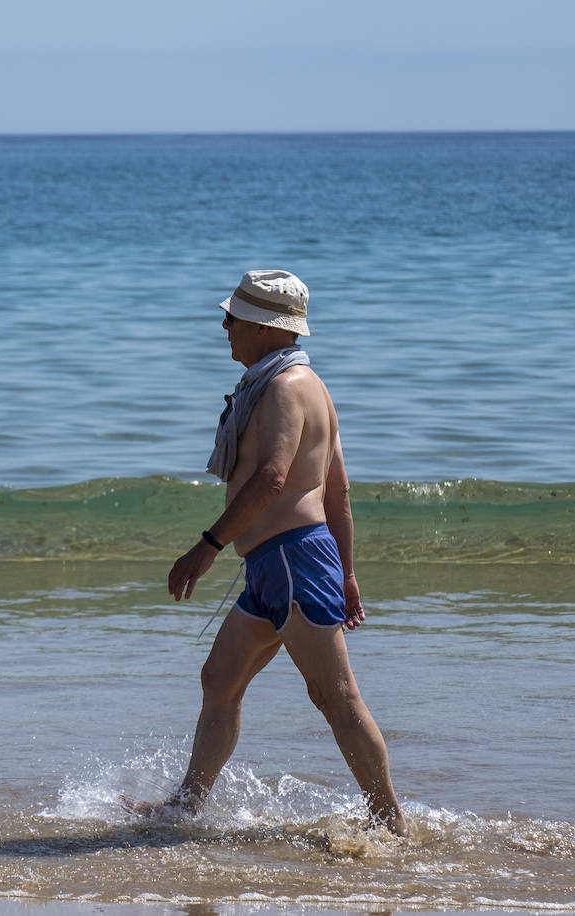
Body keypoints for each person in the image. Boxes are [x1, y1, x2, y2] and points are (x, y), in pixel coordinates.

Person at [125, 269, 408, 836]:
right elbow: (338, 492)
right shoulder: (309, 385)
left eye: (233, 318)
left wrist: (207, 547)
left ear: (262, 327)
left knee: (335, 696)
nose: (225, 326)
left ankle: (389, 821)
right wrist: (347, 573)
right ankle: (187, 806)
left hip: (293, 562)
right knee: (220, 679)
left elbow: (275, 477)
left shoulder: (284, 389)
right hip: (278, 566)